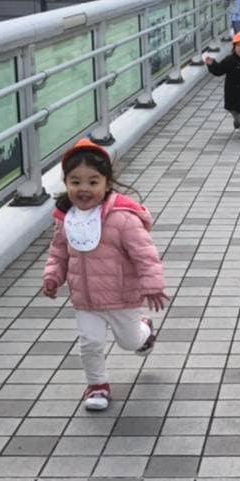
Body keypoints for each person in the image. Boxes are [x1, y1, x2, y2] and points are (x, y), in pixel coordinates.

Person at [42, 139, 167, 412]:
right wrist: (53, 276)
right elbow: (58, 252)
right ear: (66, 183)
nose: (83, 189)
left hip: (121, 297)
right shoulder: (66, 219)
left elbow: (145, 254)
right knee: (90, 343)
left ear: (107, 183)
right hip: (85, 299)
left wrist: (152, 285)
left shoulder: (122, 218)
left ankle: (145, 330)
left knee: (130, 342)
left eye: (92, 181)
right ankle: (97, 385)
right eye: (75, 182)